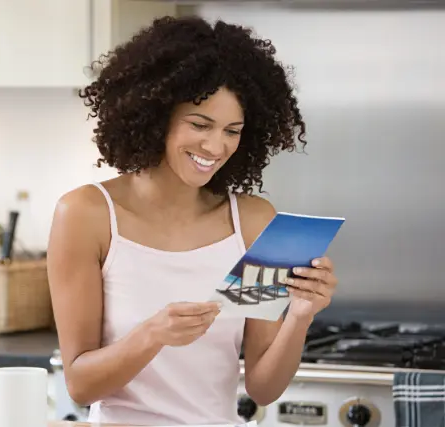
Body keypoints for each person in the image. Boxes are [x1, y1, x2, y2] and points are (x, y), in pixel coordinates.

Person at [46, 15, 339, 426]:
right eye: (200, 124)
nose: (215, 146)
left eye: (232, 131)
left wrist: (301, 315)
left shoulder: (253, 221)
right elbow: (79, 385)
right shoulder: (87, 215)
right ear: (155, 114)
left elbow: (262, 387)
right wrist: (152, 335)